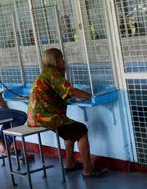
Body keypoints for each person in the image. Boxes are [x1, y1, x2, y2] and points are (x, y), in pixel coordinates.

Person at [27, 48, 108, 178]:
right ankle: (88, 169)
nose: (64, 61)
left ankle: (70, 163)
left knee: (69, 130)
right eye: (61, 59)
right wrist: (89, 95)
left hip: (37, 117)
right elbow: (70, 91)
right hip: (45, 117)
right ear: (56, 60)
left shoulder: (46, 73)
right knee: (81, 130)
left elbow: (61, 91)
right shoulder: (52, 72)